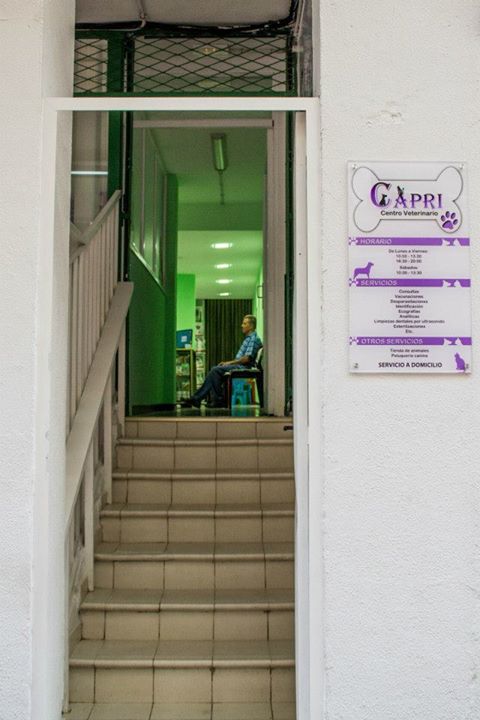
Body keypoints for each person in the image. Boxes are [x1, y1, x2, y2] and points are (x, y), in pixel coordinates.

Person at [183, 314, 262, 408]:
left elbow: (247, 358)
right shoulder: (248, 338)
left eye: (244, 324)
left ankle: (205, 399)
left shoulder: (253, 338)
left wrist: (229, 363)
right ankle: (209, 399)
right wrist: (228, 363)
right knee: (215, 370)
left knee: (215, 371)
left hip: (244, 367)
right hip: (240, 365)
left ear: (251, 326)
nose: (242, 325)